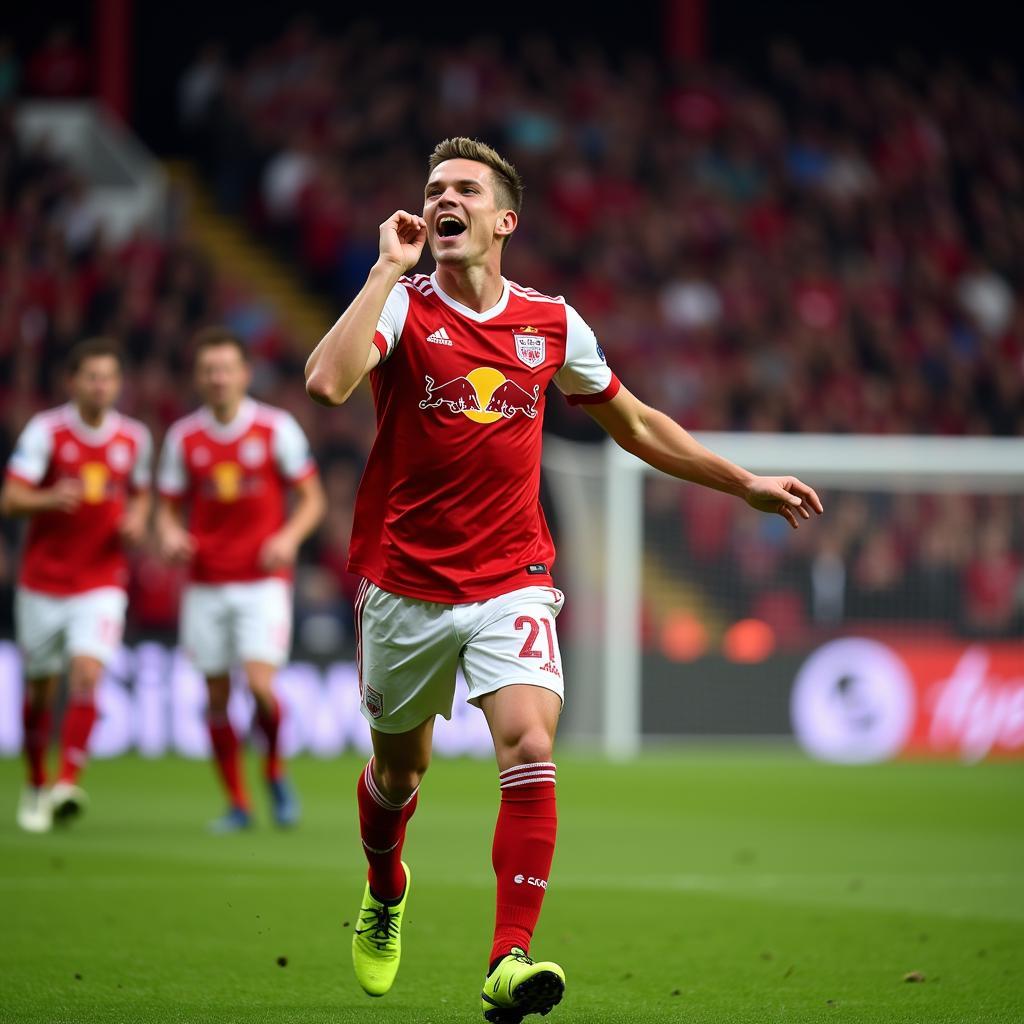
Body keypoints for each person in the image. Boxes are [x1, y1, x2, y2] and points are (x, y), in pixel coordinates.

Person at [304, 137, 823, 1022]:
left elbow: (633, 420)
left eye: (464, 188)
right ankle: (385, 889)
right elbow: (325, 383)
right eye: (433, 190)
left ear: (506, 219)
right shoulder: (403, 308)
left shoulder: (550, 323)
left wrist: (741, 483)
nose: (443, 200)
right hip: (405, 587)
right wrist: (382, 273)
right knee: (399, 775)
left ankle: (510, 958)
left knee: (530, 746)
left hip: (513, 576)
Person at [156, 327, 325, 832]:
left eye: (226, 368)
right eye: (209, 370)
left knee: (260, 687)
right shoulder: (183, 437)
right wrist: (167, 534)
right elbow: (166, 509)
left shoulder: (275, 429)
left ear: (244, 374)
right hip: (205, 583)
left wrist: (289, 538)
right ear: (199, 377)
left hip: (262, 581)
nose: (218, 378)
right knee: (214, 697)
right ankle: (238, 801)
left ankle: (274, 769)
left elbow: (313, 499)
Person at [1, 338, 152, 833]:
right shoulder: (46, 432)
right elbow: (11, 499)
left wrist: (135, 518)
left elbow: (142, 493)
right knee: (41, 692)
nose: (100, 386)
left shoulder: (133, 437)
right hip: (43, 581)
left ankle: (67, 782)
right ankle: (36, 781)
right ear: (72, 381)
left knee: (87, 673)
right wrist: (48, 499)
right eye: (91, 377)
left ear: (118, 384)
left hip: (101, 580)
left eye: (109, 377)